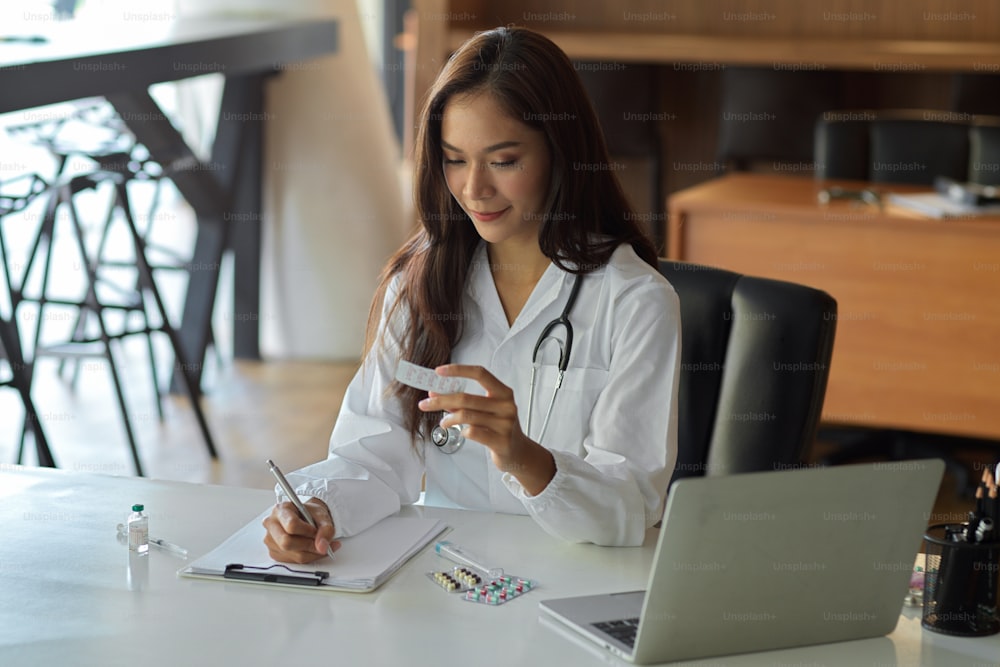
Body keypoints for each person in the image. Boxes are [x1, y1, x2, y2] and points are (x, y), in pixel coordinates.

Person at [263, 26, 680, 563]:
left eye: (503, 161)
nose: (474, 189)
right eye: (455, 158)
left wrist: (522, 456)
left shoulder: (637, 302)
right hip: (447, 579)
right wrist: (320, 509)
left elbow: (629, 511)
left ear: (561, 153)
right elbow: (374, 456)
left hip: (576, 585)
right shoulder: (416, 284)